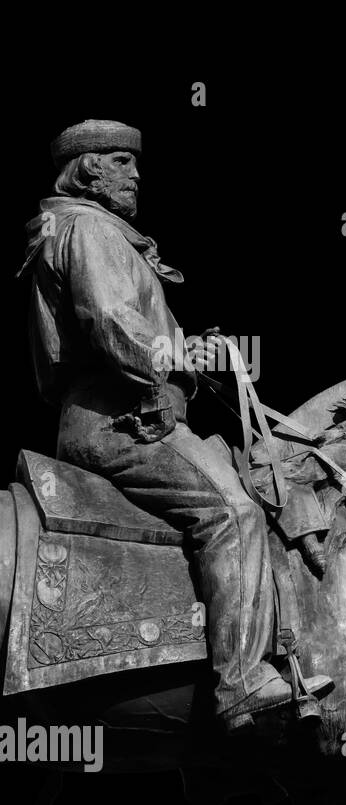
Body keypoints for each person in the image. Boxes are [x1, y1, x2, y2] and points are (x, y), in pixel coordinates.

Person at [18, 119, 330, 734]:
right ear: (89, 171)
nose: (137, 175)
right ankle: (241, 683)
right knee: (234, 512)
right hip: (117, 421)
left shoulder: (87, 229)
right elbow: (109, 321)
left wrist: (194, 351)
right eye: (121, 162)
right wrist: (177, 359)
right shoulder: (90, 227)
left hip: (122, 410)